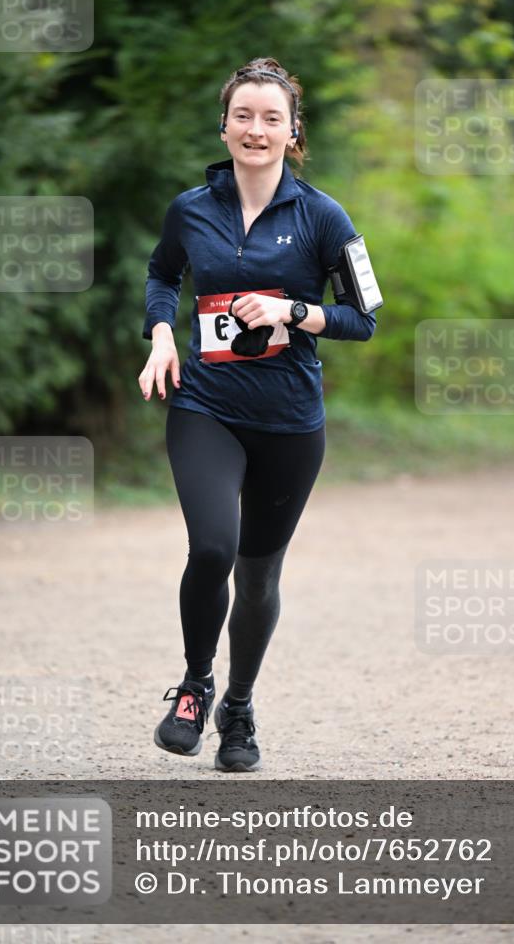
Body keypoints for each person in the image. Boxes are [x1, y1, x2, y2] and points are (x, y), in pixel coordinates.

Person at [138, 57, 378, 772]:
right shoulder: (191, 208)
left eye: (271, 117)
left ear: (292, 131)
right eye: (243, 115)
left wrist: (294, 311)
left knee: (259, 574)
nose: (256, 128)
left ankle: (237, 709)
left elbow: (364, 318)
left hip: (289, 421)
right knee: (211, 547)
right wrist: (159, 332)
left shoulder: (322, 215)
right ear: (224, 124)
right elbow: (161, 274)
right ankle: (193, 686)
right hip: (205, 404)